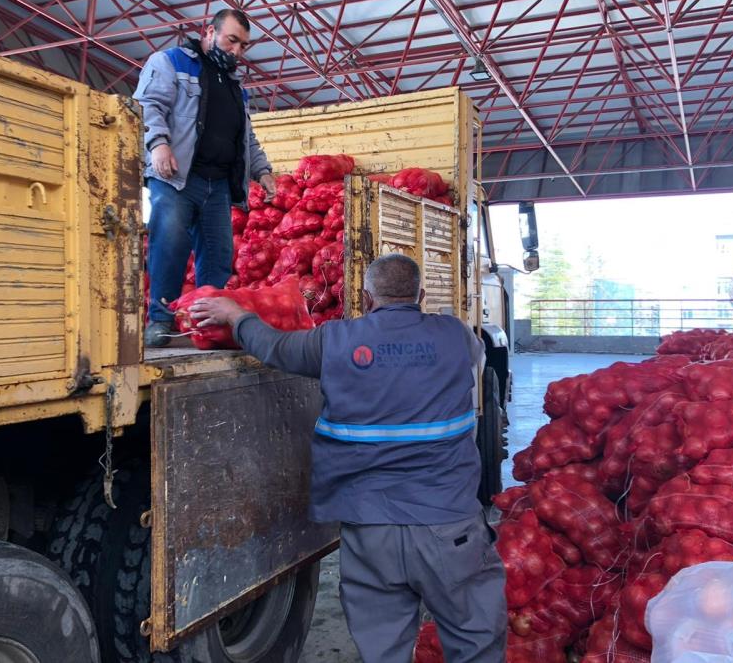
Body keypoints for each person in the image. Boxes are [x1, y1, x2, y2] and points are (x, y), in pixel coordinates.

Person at [189, 254, 507, 663]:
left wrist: (235, 314)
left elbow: (273, 348)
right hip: (450, 527)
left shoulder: (333, 340)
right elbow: (477, 358)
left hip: (369, 530)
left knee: (383, 649)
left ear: (365, 296)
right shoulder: (456, 335)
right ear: (421, 295)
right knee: (476, 641)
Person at [135, 8, 276, 348]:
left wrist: (263, 171)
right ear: (209, 33)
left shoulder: (234, 87)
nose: (237, 52)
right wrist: (159, 144)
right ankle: (161, 320)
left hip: (218, 185)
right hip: (176, 177)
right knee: (170, 243)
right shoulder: (170, 62)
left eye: (243, 45)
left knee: (218, 254)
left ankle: (206, 325)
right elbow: (148, 105)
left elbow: (246, 138)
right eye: (232, 41)